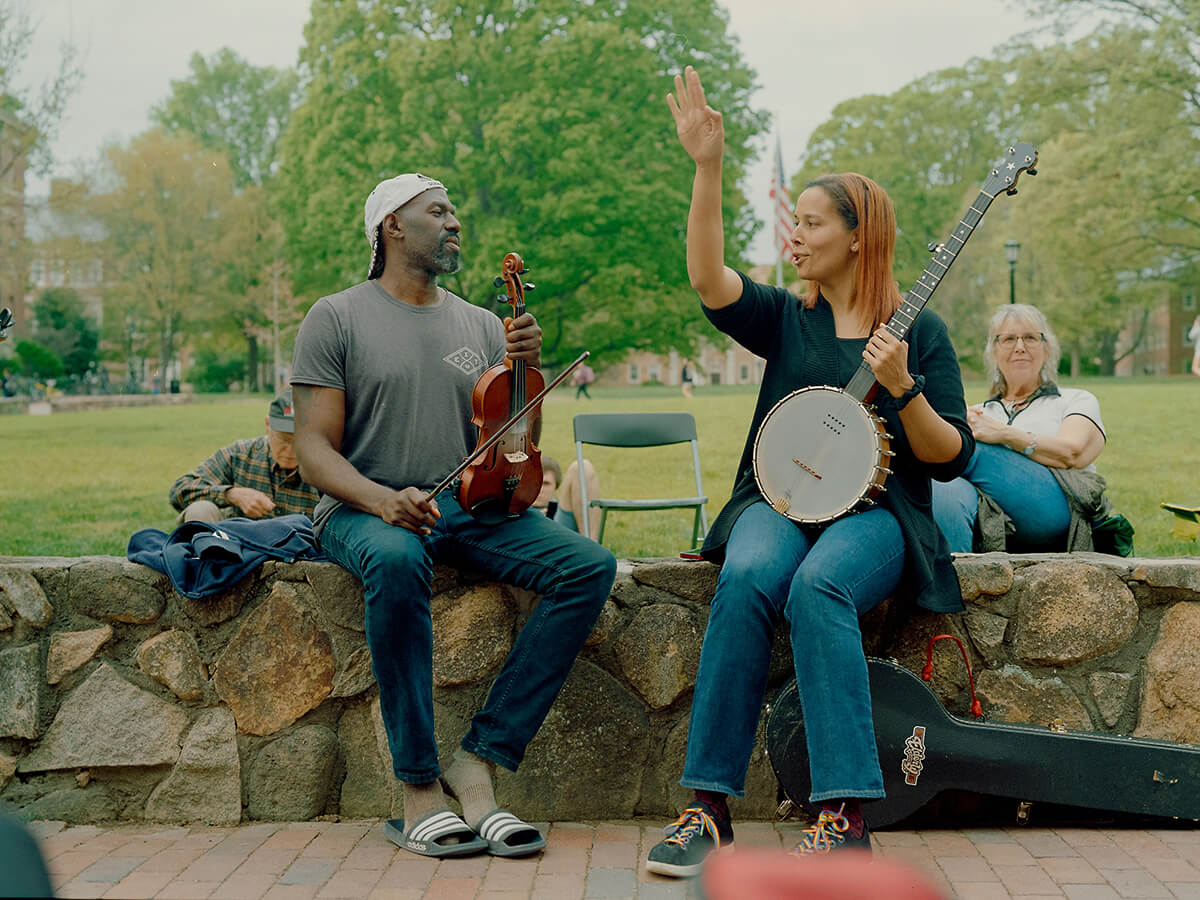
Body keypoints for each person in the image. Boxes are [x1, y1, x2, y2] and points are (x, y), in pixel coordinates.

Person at [646, 67, 973, 877]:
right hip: (776, 497)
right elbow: (707, 279)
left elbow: (952, 455)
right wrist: (708, 168)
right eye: (798, 219)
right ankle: (708, 807)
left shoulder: (918, 330)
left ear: (859, 236)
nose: (798, 231)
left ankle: (843, 812)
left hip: (877, 518)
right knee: (752, 572)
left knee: (818, 588)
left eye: (815, 222)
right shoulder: (790, 319)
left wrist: (903, 388)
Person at [289, 173, 616, 860]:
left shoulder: (479, 323)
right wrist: (380, 500)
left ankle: (481, 758)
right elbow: (314, 449)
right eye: (437, 211)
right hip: (361, 507)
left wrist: (527, 373)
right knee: (399, 556)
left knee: (587, 566)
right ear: (392, 227)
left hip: (463, 507)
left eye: (455, 211)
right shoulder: (336, 316)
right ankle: (417, 791)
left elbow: (513, 443)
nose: (454, 221)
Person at [930, 304, 1110, 553]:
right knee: (944, 488)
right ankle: (953, 582)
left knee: (957, 447)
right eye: (1009, 339)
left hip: (1057, 511)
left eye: (1030, 338)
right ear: (994, 351)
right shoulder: (980, 414)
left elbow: (1072, 453)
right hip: (989, 515)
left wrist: (1002, 433)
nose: (1020, 347)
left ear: (1046, 349)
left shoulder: (1075, 400)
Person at [168, 391, 318, 523]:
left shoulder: (322, 467)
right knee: (200, 510)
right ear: (268, 426)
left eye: (300, 441)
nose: (290, 451)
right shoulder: (240, 455)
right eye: (283, 439)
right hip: (233, 549)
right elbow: (179, 490)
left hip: (302, 551)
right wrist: (231, 495)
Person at [533, 454, 602, 537]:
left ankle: (591, 543)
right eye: (535, 482)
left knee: (582, 466)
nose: (539, 489)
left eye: (546, 484)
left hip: (559, 528)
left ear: (556, 487)